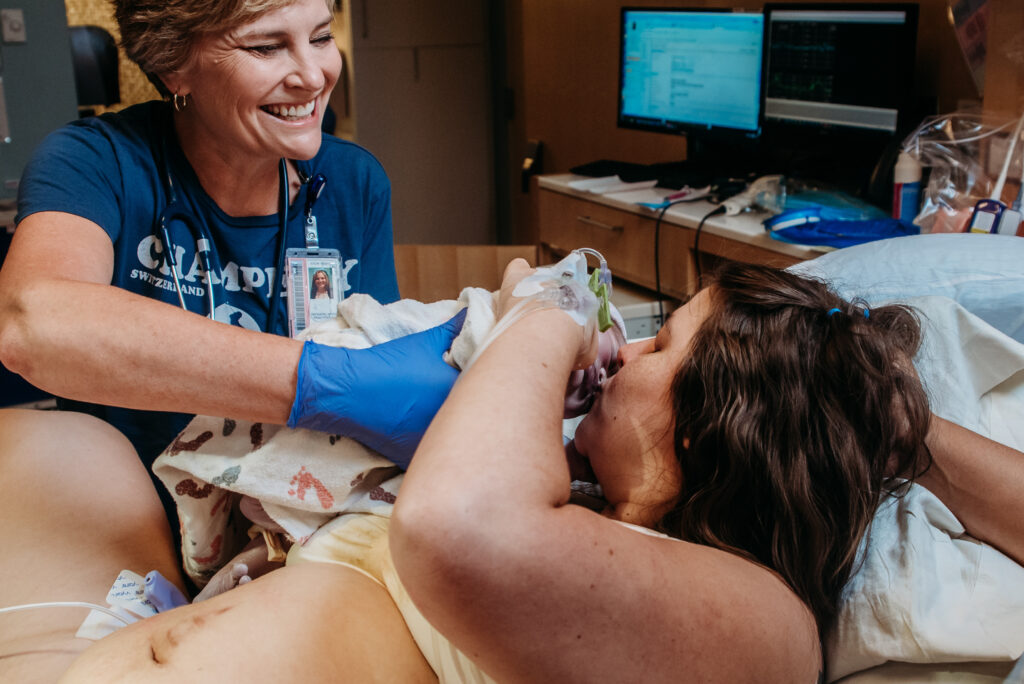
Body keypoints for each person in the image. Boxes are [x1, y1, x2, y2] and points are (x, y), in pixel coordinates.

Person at [36, 248, 1024, 683]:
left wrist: (550, 309)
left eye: (660, 346)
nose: (623, 351)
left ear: (715, 425)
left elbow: (456, 529)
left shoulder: (763, 622)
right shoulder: (572, 492)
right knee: (51, 441)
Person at [0, 0, 463, 679]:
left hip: (283, 522)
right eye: (268, 47)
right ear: (174, 62)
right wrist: (317, 380)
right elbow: (33, 323)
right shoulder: (97, 163)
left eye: (321, 37)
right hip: (120, 519)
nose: (313, 74)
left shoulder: (352, 184)